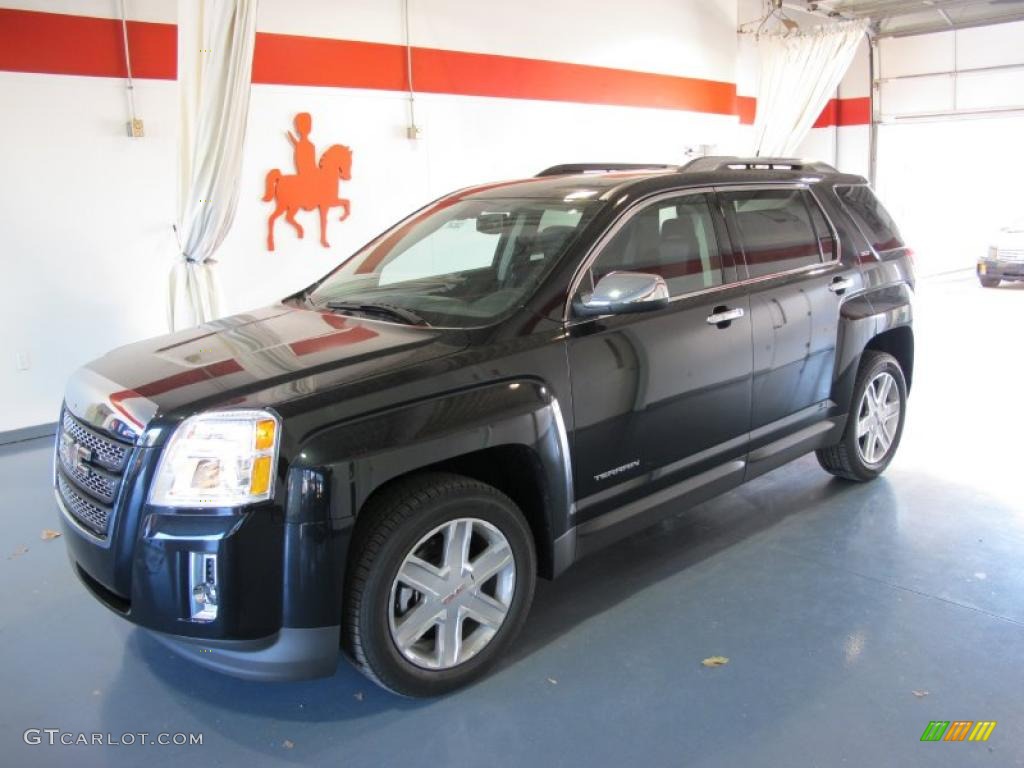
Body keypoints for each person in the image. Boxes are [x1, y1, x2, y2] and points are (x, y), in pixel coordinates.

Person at [286, 112, 316, 179]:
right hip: (308, 174)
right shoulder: (307, 146)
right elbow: (306, 165)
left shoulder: (308, 145)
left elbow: (312, 164)